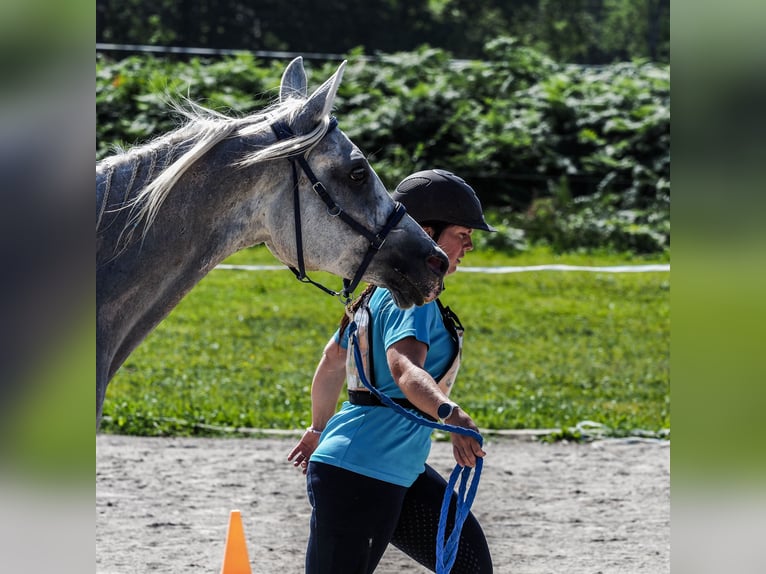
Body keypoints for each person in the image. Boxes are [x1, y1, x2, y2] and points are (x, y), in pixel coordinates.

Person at [287, 169, 495, 573]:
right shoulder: (413, 300)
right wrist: (450, 414)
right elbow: (405, 370)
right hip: (360, 473)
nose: (469, 245)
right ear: (427, 233)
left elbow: (331, 363)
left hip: (394, 467)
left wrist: (317, 429)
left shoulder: (375, 293)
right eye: (462, 234)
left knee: (468, 564)